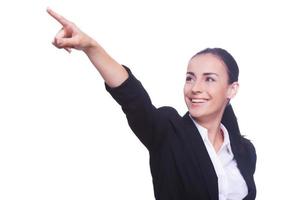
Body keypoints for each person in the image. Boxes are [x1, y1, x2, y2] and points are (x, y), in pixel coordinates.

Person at [47, 8, 256, 200]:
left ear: (232, 89)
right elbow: (132, 97)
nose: (195, 88)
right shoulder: (167, 132)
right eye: (190, 78)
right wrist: (90, 47)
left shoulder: (244, 151)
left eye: (209, 79)